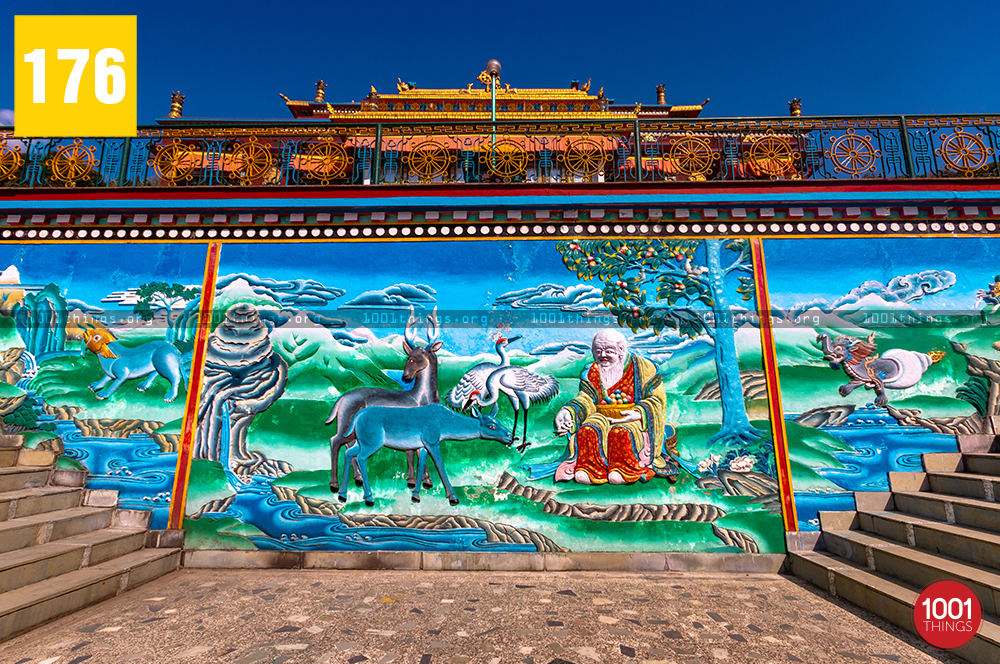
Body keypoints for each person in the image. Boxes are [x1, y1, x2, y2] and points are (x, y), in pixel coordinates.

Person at [554, 329, 677, 485]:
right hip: (602, 415)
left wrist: (639, 413)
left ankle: (624, 469)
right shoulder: (593, 370)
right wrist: (568, 411)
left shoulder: (644, 368)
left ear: (621, 350)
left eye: (608, 350)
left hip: (633, 418)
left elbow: (658, 400)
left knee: (620, 432)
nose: (602, 355)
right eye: (598, 351)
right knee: (587, 430)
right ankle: (591, 470)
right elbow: (587, 398)